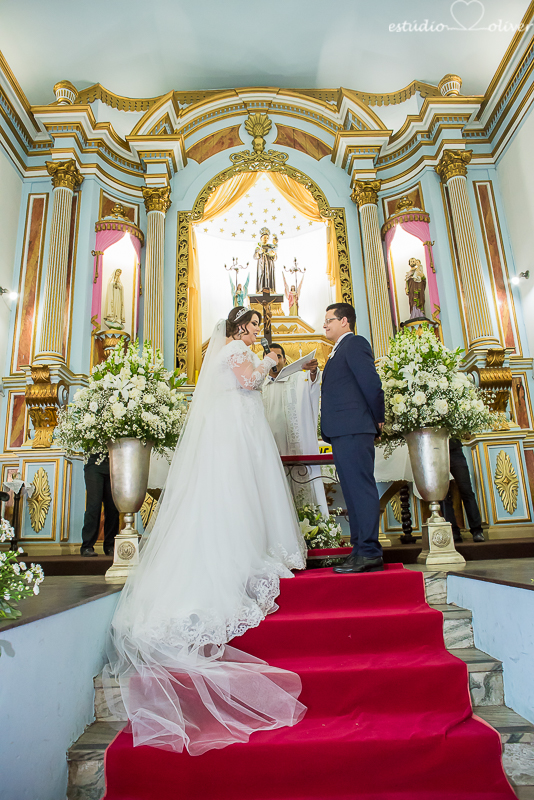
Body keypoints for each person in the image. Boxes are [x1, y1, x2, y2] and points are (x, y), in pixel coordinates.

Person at [103, 306, 307, 755]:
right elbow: (247, 382)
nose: (257, 332)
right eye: (254, 327)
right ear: (238, 328)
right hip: (237, 432)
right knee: (238, 492)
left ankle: (254, 546)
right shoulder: (235, 349)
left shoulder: (232, 349)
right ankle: (245, 553)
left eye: (258, 329)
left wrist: (267, 365)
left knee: (247, 490)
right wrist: (271, 362)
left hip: (242, 429)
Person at [321, 303, 385, 574]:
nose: (324, 325)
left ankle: (370, 551)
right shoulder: (336, 352)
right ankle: (359, 550)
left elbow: (371, 383)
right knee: (351, 492)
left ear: (345, 321)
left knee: (361, 489)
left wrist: (378, 417)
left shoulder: (355, 343)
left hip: (355, 428)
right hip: (343, 429)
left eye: (329, 320)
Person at [262, 344, 328, 515]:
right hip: (269, 447)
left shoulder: (297, 379)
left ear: (284, 359)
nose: (275, 361)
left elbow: (312, 384)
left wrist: (312, 372)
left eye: (278, 356)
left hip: (293, 446)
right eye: (271, 357)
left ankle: (306, 521)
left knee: (298, 488)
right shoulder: (259, 384)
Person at [442, 438, 485, 543]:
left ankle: (477, 530)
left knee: (466, 491)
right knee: (443, 495)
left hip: (455, 450)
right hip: (435, 452)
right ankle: (453, 531)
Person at [80, 454, 119, 557]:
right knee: (94, 506)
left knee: (112, 508)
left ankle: (110, 546)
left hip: (114, 463)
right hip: (94, 463)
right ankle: (87, 546)